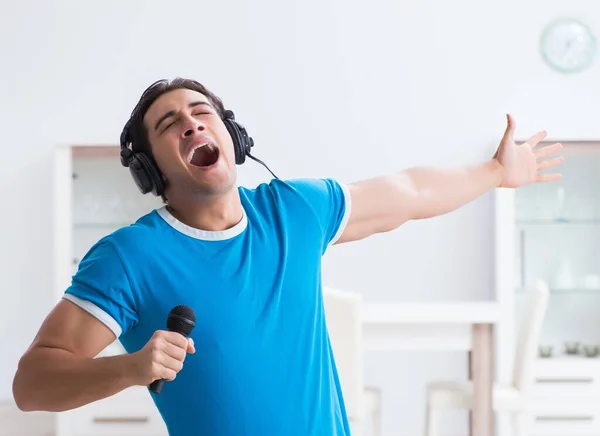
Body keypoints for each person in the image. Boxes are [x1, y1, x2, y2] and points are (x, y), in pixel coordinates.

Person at [12, 77, 564, 436]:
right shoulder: (129, 257)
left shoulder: (293, 211)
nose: (192, 124)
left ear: (233, 136)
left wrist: (496, 173)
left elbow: (409, 193)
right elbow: (31, 385)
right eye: (169, 124)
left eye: (203, 112)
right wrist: (131, 368)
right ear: (151, 170)